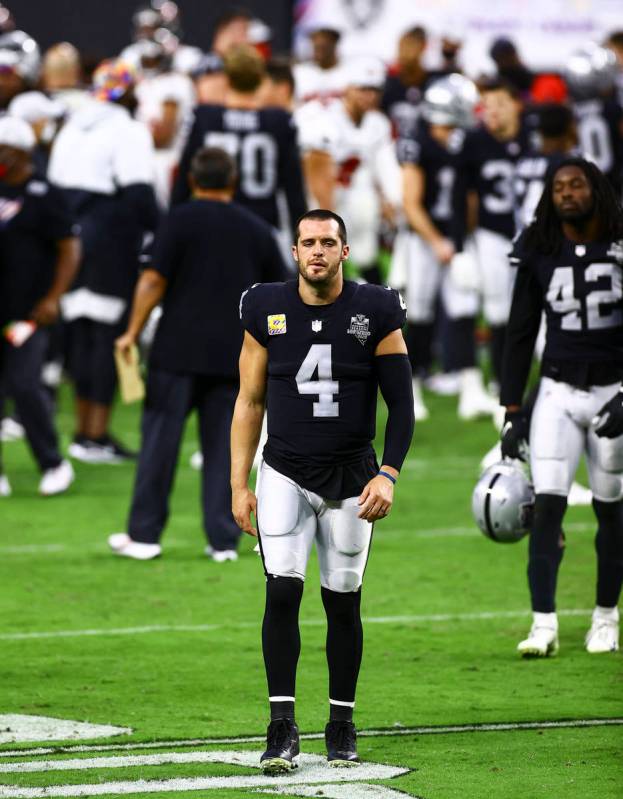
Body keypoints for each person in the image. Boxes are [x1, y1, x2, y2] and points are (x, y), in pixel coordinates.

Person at [231, 209, 414, 770]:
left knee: (342, 600)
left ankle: (341, 724)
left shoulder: (376, 308)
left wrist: (389, 472)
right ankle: (281, 726)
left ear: (345, 251)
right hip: (284, 468)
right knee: (281, 592)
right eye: (308, 242)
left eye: (327, 242)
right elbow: (250, 400)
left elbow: (402, 405)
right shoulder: (265, 306)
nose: (317, 251)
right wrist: (239, 483)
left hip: (353, 475)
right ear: (294, 251)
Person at [108, 147, 287, 562]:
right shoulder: (257, 228)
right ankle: (223, 540)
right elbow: (278, 294)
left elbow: (152, 281)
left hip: (176, 353)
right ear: (233, 181)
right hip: (234, 357)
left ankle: (145, 535)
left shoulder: (177, 220)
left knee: (158, 444)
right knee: (226, 451)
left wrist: (132, 331)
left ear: (192, 179)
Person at [500, 157, 623, 656]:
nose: (567, 194)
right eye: (558, 187)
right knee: (547, 507)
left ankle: (605, 616)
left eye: (576, 185)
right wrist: (512, 408)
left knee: (610, 510)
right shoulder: (539, 245)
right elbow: (520, 328)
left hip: (613, 388)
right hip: (555, 389)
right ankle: (544, 623)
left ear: (595, 189)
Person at [48, 59, 159, 464]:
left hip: (68, 241)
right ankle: (94, 435)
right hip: (109, 241)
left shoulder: (72, 125)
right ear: (127, 91)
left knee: (81, 335)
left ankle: (83, 432)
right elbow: (138, 196)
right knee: (111, 336)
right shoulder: (128, 130)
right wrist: (166, 233)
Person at [399, 73, 498, 422]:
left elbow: (469, 197)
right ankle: (409, 389)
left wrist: (461, 240)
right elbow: (410, 202)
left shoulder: (466, 141)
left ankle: (471, 389)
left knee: (464, 308)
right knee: (419, 314)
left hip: (454, 238)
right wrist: (437, 241)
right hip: (422, 239)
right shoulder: (418, 141)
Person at [0, 116, 81, 495]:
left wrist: (53, 297)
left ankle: (52, 461)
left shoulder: (46, 193)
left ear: (20, 151)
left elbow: (69, 248)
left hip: (28, 313)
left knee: (24, 383)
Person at [172, 45, 306, 239]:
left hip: (211, 229)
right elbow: (294, 193)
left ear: (227, 78)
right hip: (262, 230)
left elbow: (183, 183)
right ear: (261, 78)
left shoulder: (204, 117)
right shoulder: (279, 121)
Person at [295, 57, 401, 284]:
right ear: (348, 88)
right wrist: (325, 217)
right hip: (321, 196)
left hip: (355, 197)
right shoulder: (322, 118)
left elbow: (384, 168)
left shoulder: (378, 123)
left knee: (365, 253)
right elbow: (314, 171)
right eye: (363, 89)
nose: (370, 95)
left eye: (375, 90)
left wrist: (391, 201)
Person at [293, 23, 346, 105]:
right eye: (314, 38)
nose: (318, 42)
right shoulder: (298, 72)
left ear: (335, 42)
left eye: (324, 37)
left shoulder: (350, 74)